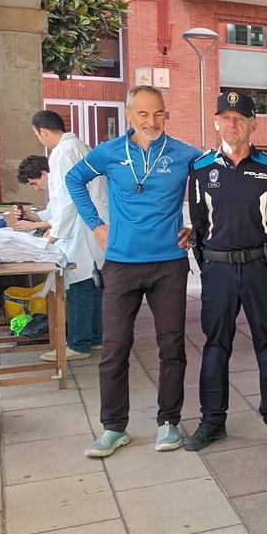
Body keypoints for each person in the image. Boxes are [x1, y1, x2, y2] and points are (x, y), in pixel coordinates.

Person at [66, 85, 199, 457]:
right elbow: (73, 180)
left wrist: (197, 227)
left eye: (158, 113)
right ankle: (113, 427)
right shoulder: (109, 152)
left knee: (172, 345)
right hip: (122, 264)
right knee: (114, 348)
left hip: (168, 265)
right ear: (129, 115)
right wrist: (95, 224)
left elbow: (213, 188)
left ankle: (169, 422)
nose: (151, 121)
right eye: (143, 114)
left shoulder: (185, 154)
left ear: (165, 114)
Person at [182, 92, 267, 451]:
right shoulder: (200, 168)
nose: (232, 125)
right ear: (216, 122)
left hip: (262, 267)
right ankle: (212, 420)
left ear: (252, 125)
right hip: (219, 270)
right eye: (225, 118)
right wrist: (206, 260)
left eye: (240, 118)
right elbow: (198, 224)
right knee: (216, 345)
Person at [20, 111, 109, 362]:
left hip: (80, 227)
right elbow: (62, 201)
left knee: (78, 284)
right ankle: (95, 337)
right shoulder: (80, 146)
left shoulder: (61, 153)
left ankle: (79, 344)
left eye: (38, 136)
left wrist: (54, 235)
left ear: (43, 131)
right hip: (90, 224)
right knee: (92, 283)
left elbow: (68, 200)